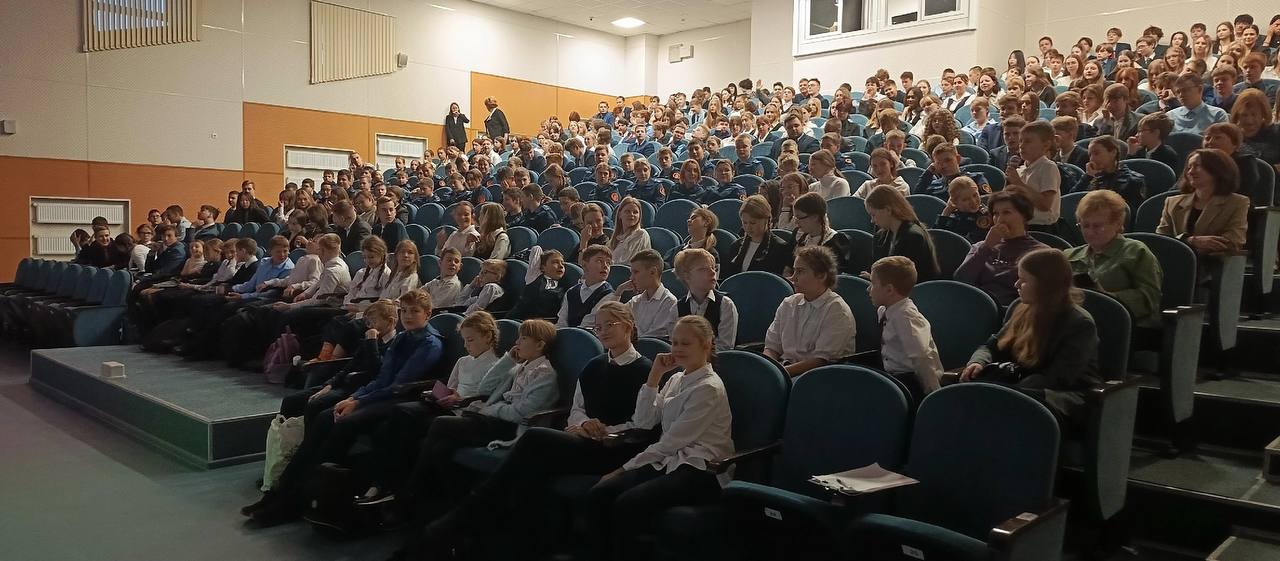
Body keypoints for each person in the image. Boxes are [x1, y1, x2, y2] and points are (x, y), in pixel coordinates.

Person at [396, 303, 653, 561]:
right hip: (583, 439)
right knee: (528, 471)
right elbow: (577, 409)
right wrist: (584, 424)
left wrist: (604, 430)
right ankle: (493, 538)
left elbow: (643, 424)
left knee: (534, 440)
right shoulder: (593, 366)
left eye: (610, 325)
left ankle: (455, 526)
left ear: (628, 327)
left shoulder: (645, 370)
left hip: (613, 447)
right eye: (598, 326)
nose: (603, 331)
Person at [245, 289, 444, 526]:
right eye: (405, 311)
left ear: (428, 314)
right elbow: (381, 378)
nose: (408, 316)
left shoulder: (430, 344)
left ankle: (295, 501)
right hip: (382, 394)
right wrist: (354, 397)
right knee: (323, 417)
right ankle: (280, 492)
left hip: (402, 400)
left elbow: (397, 386)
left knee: (342, 423)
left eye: (415, 311)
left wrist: (358, 401)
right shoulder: (402, 338)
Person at [584, 315, 733, 561]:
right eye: (674, 343)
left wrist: (622, 469)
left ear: (706, 345)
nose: (677, 349)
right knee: (599, 495)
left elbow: (672, 442)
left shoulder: (708, 387)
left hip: (700, 468)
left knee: (627, 504)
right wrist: (655, 375)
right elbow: (644, 422)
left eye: (686, 343)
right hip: (668, 460)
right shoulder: (676, 378)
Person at [960, 248, 1101, 423]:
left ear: (1045, 286)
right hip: (1019, 385)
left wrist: (1008, 389)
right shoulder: (1021, 307)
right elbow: (992, 346)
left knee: (999, 407)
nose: (1016, 285)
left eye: (1024, 280)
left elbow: (1059, 377)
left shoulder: (1080, 323)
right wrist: (978, 362)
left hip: (1060, 395)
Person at [1065, 190, 1163, 329]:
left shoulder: (1136, 251)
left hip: (1126, 327)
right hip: (1078, 325)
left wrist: (1108, 299)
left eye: (1097, 226)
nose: (1090, 231)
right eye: (1085, 225)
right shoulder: (1069, 256)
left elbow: (1150, 298)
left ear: (1117, 224)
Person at [764, 246, 856, 377]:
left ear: (821, 275)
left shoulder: (837, 311)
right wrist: (768, 370)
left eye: (800, 272)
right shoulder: (789, 303)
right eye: (794, 271)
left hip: (816, 377)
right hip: (784, 369)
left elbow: (820, 361)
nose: (793, 278)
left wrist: (779, 373)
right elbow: (772, 347)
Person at [954, 191, 1049, 307]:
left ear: (1024, 216)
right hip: (975, 307)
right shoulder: (981, 247)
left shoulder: (1039, 252)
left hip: (1012, 311)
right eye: (996, 214)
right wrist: (987, 246)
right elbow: (960, 280)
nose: (999, 219)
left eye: (1006, 212)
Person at [869, 256, 943, 404]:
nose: (868, 289)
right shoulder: (884, 310)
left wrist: (934, 395)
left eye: (873, 284)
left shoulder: (906, 317)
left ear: (889, 290)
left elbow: (922, 357)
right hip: (889, 374)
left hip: (909, 381)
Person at [1156, 149, 1249, 255]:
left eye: (1196, 166)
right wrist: (1190, 241)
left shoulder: (1237, 202)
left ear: (1217, 169)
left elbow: (1234, 241)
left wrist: (1188, 245)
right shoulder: (1172, 202)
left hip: (1213, 262)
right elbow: (1161, 240)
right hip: (1176, 259)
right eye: (1189, 167)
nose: (1190, 172)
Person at [866, 185, 941, 281]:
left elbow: (905, 279)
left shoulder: (914, 237)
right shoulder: (881, 236)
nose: (872, 220)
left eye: (873, 215)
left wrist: (874, 279)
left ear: (888, 210)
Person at [674, 248, 738, 351]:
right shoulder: (676, 308)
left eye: (713, 268)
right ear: (687, 276)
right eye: (703, 269)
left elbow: (725, 347)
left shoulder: (725, 305)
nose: (713, 272)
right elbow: (675, 344)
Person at [1004, 120, 1062, 233]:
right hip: (1021, 225)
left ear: (1045, 145)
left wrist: (1019, 184)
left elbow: (1045, 205)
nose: (1021, 146)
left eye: (1028, 141)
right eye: (1021, 141)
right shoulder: (1020, 169)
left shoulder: (1048, 167)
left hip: (1042, 229)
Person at [609, 249, 678, 339]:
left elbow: (652, 337)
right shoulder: (636, 301)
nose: (631, 278)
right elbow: (610, 317)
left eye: (636, 272)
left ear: (652, 272)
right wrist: (619, 291)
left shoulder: (669, 302)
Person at [721, 195, 792, 278]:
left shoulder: (780, 248)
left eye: (753, 223)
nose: (748, 227)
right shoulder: (736, 246)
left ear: (766, 220)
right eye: (744, 222)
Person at [1073, 135, 1148, 210]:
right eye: (1090, 155)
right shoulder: (1091, 178)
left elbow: (1129, 213)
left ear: (1113, 152)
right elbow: (1072, 201)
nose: (1092, 158)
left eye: (1096, 153)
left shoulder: (1133, 181)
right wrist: (1087, 176)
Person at [557, 244, 615, 329]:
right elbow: (562, 323)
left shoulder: (608, 294)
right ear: (584, 265)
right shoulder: (571, 292)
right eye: (599, 261)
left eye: (608, 263)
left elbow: (588, 325)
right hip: (568, 334)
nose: (605, 266)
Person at [506, 247, 568, 321]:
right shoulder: (534, 277)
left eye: (563, 263)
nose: (561, 266)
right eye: (555, 262)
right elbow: (536, 249)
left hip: (543, 323)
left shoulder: (563, 288)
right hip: (518, 319)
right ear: (542, 267)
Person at [1230, 89, 1280, 169]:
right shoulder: (1230, 136)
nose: (1249, 120)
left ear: (1263, 114)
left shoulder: (1276, 132)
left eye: (1254, 115)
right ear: (1237, 115)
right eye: (1244, 115)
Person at [936, 176, 991, 243]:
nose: (973, 201)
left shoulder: (988, 213)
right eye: (965, 199)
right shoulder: (953, 218)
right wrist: (946, 212)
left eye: (975, 195)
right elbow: (936, 238)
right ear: (954, 202)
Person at [608, 197, 651, 265]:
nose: (631, 214)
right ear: (620, 214)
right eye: (627, 211)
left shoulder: (641, 234)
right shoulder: (616, 238)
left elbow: (627, 262)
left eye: (635, 212)